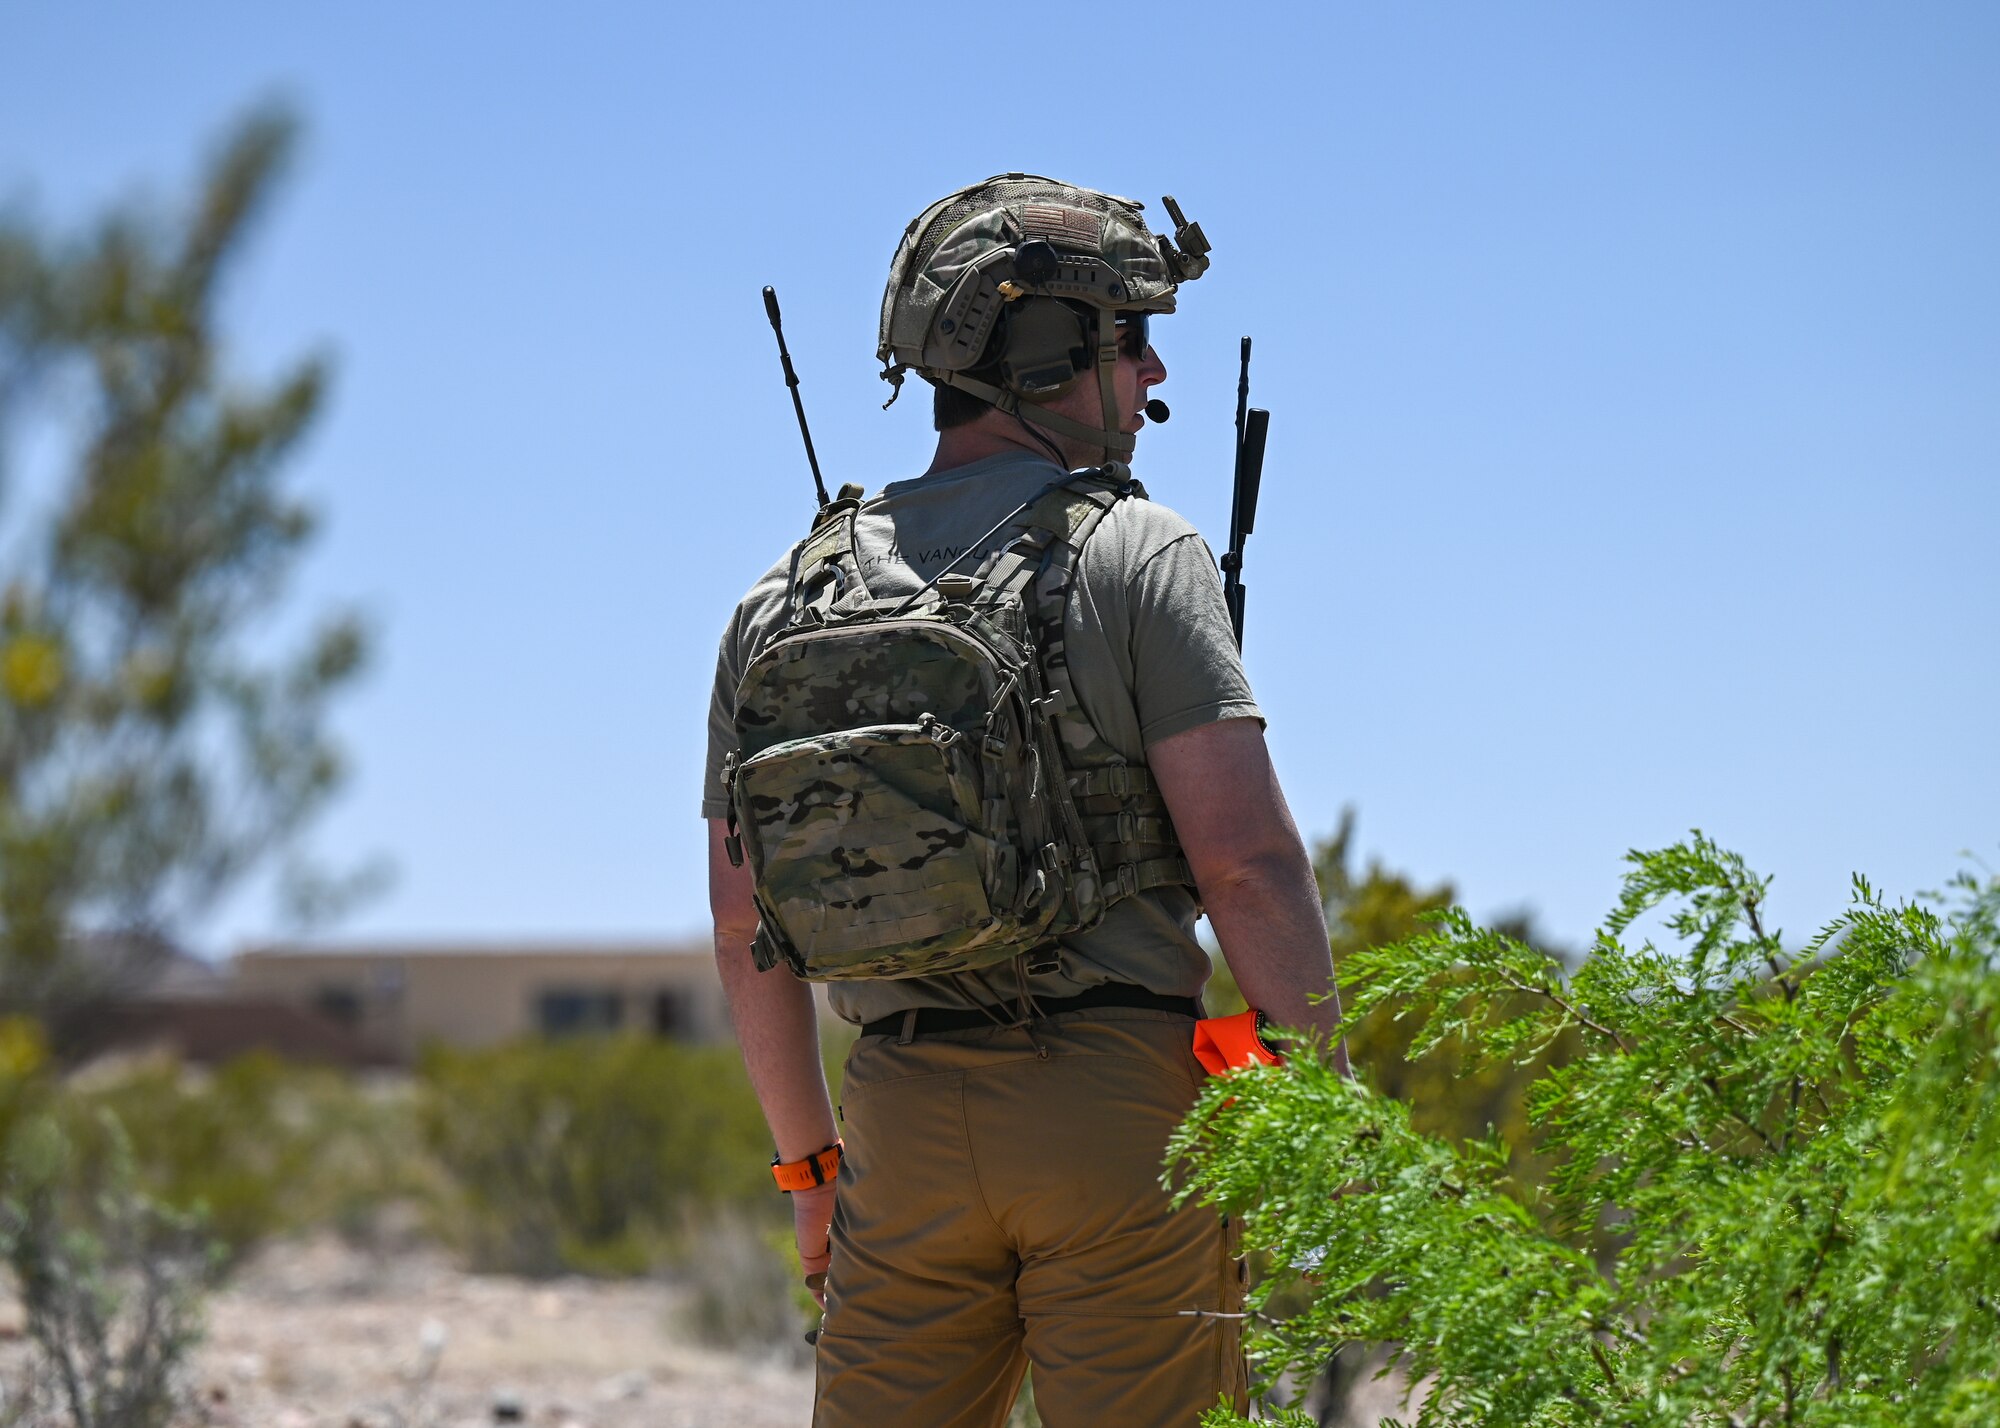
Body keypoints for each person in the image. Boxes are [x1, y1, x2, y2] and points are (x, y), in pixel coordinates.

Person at [703, 174, 1344, 1426]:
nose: (1154, 375)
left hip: (896, 1125)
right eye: (1129, 340)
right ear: (1049, 353)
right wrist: (1312, 1121)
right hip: (1117, 1116)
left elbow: (745, 932)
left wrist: (810, 1171)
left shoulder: (782, 600)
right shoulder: (1138, 551)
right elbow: (1249, 869)